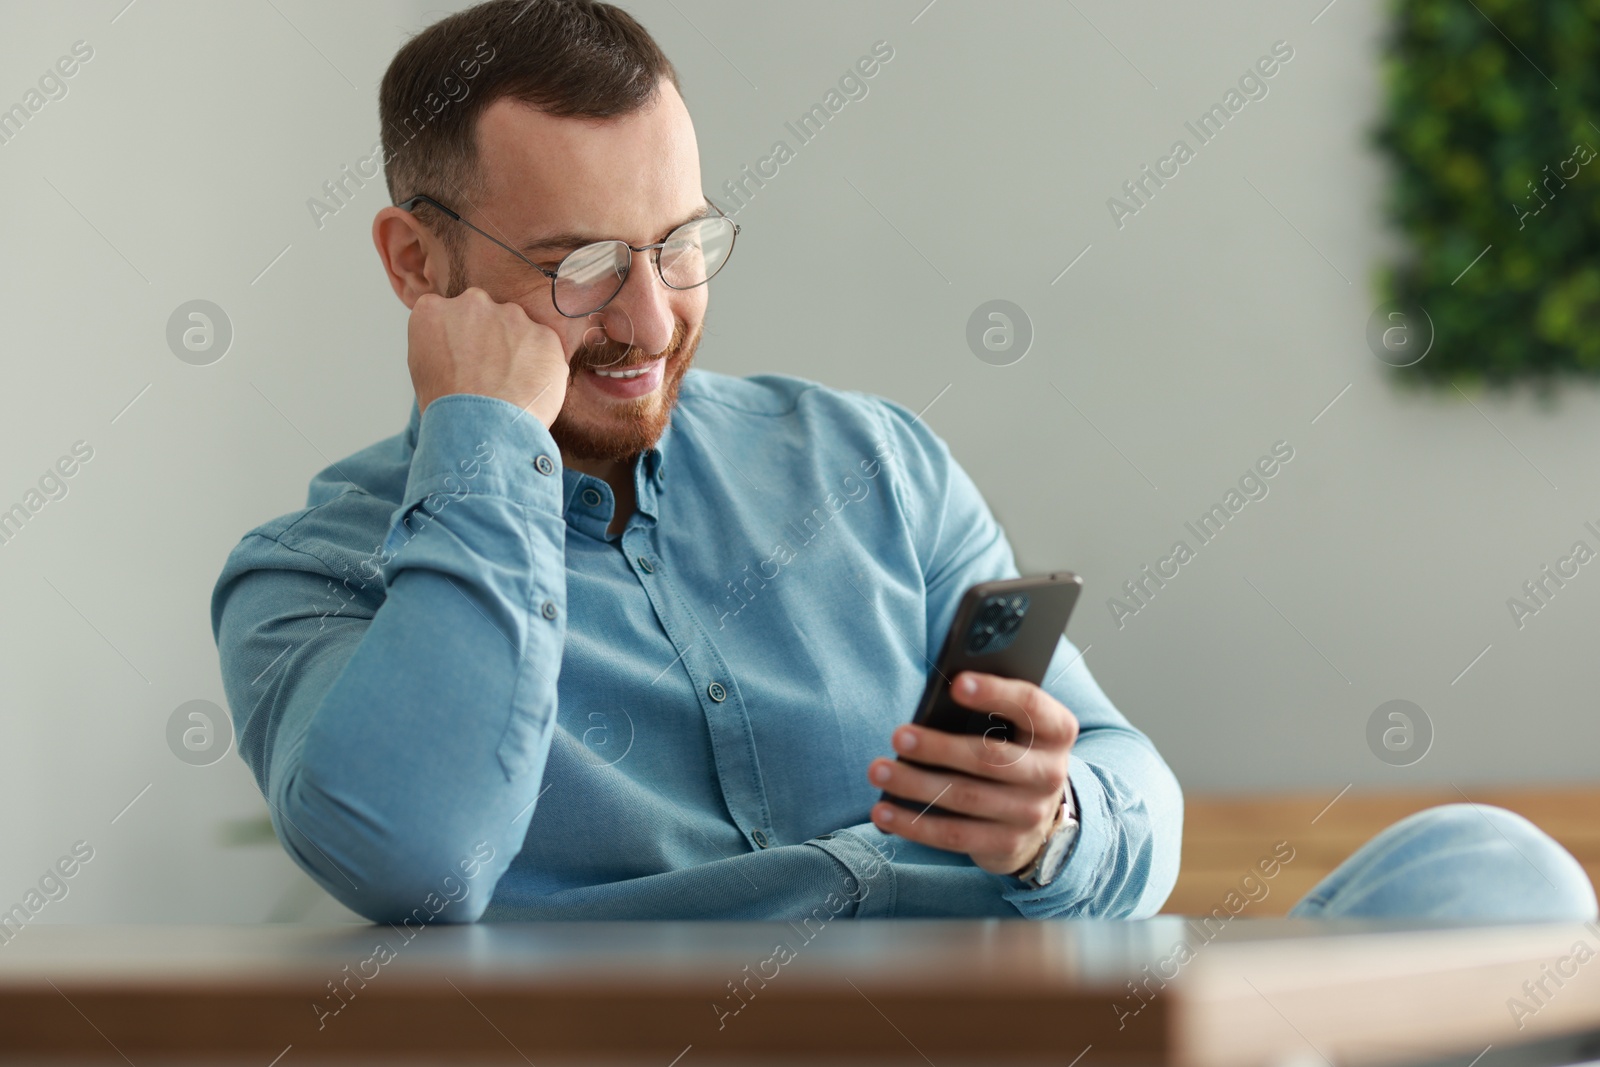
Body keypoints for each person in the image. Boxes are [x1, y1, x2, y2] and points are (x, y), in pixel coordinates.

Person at [210, 0, 1594, 926]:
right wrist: (488, 447)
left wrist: (1049, 826)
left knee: (1499, 878)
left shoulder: (872, 462)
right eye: (578, 265)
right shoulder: (314, 580)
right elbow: (417, 855)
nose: (648, 320)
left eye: (682, 245)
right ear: (417, 263)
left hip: (1045, 1034)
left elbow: (1135, 793)